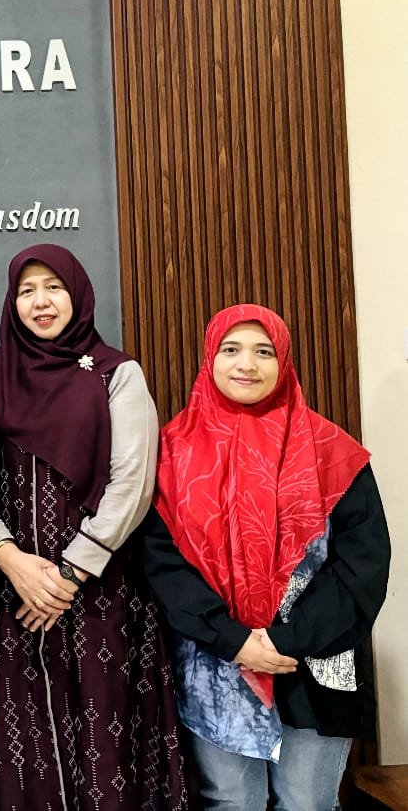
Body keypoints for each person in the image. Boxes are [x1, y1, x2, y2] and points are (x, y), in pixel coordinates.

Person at [0, 244, 187, 810]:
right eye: (27, 290)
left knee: (105, 741)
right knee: (27, 741)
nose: (41, 301)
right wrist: (9, 558)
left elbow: (133, 483)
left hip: (102, 594)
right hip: (15, 595)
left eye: (54, 287)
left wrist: (67, 576)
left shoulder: (117, 373)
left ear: (78, 294)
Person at [144, 304, 390, 811]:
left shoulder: (332, 452)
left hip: (314, 660)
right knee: (232, 802)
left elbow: (361, 564)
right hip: (217, 662)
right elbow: (162, 563)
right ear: (210, 358)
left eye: (264, 351)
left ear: (284, 361)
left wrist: (282, 640)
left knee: (308, 802)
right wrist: (233, 640)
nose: (247, 364)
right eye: (231, 350)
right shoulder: (170, 453)